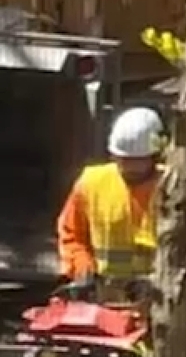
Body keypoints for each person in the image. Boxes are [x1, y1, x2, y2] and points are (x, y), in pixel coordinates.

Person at [56, 106, 166, 299]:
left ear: (155, 156)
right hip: (104, 296)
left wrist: (158, 282)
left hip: (157, 299)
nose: (129, 167)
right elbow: (71, 234)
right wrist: (82, 268)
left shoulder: (173, 187)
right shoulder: (92, 183)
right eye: (122, 159)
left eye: (137, 160)